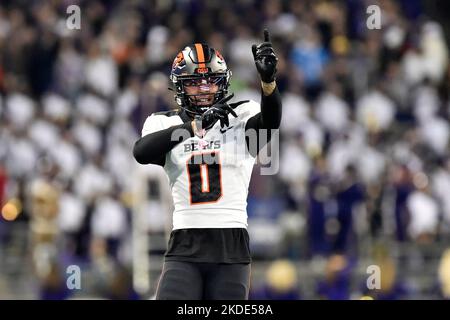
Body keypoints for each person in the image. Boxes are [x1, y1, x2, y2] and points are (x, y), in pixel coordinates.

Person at [133, 29, 282, 300]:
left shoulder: (242, 113)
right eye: (195, 83)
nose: (204, 90)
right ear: (179, 85)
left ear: (223, 83)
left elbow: (270, 122)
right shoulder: (163, 122)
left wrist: (268, 84)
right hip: (185, 243)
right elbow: (142, 153)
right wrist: (195, 125)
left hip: (231, 246)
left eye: (211, 81)